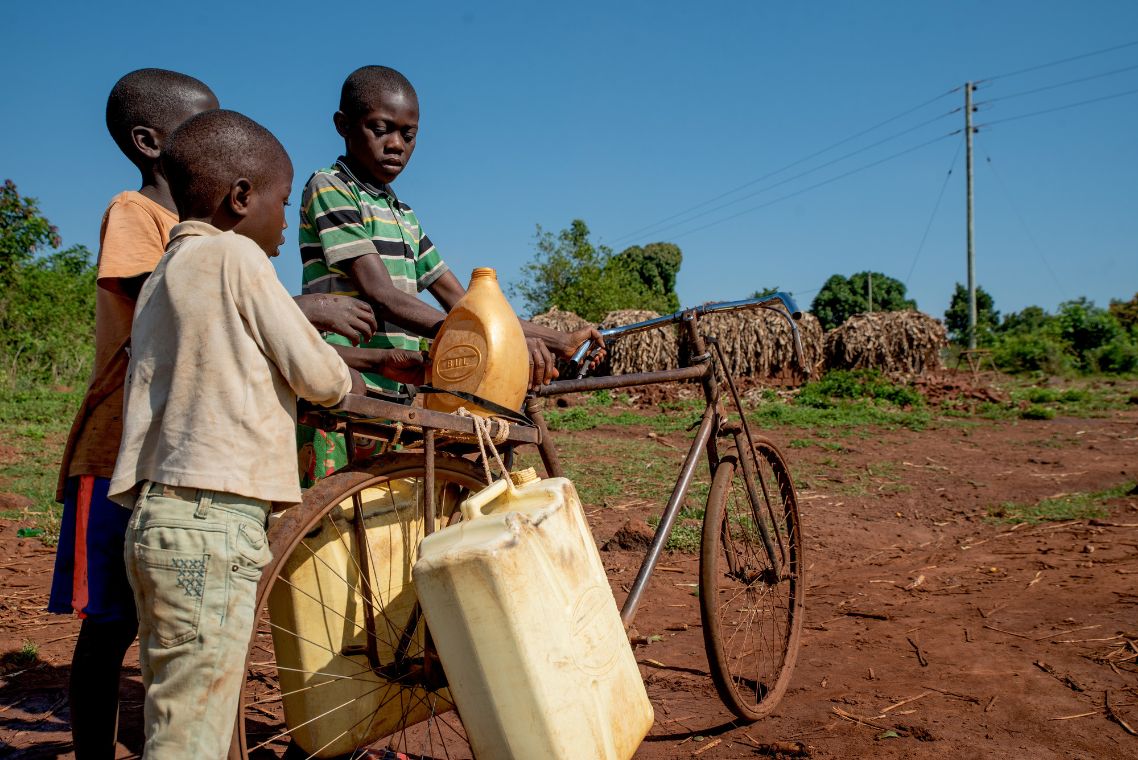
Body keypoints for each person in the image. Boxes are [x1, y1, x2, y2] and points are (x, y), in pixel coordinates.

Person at [48, 68, 382, 758]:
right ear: (240, 198)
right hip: (214, 523)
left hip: (155, 519)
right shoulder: (237, 257)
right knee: (193, 731)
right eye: (282, 204)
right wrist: (339, 376)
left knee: (178, 704)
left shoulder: (167, 273)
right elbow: (318, 374)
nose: (285, 222)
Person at [298, 65, 601, 481]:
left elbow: (464, 304)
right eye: (381, 129)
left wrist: (558, 340)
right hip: (343, 384)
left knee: (386, 507)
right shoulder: (331, 187)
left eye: (408, 135)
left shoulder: (402, 214)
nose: (395, 145)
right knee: (332, 505)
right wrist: (477, 341)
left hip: (399, 391)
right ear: (343, 126)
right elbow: (380, 294)